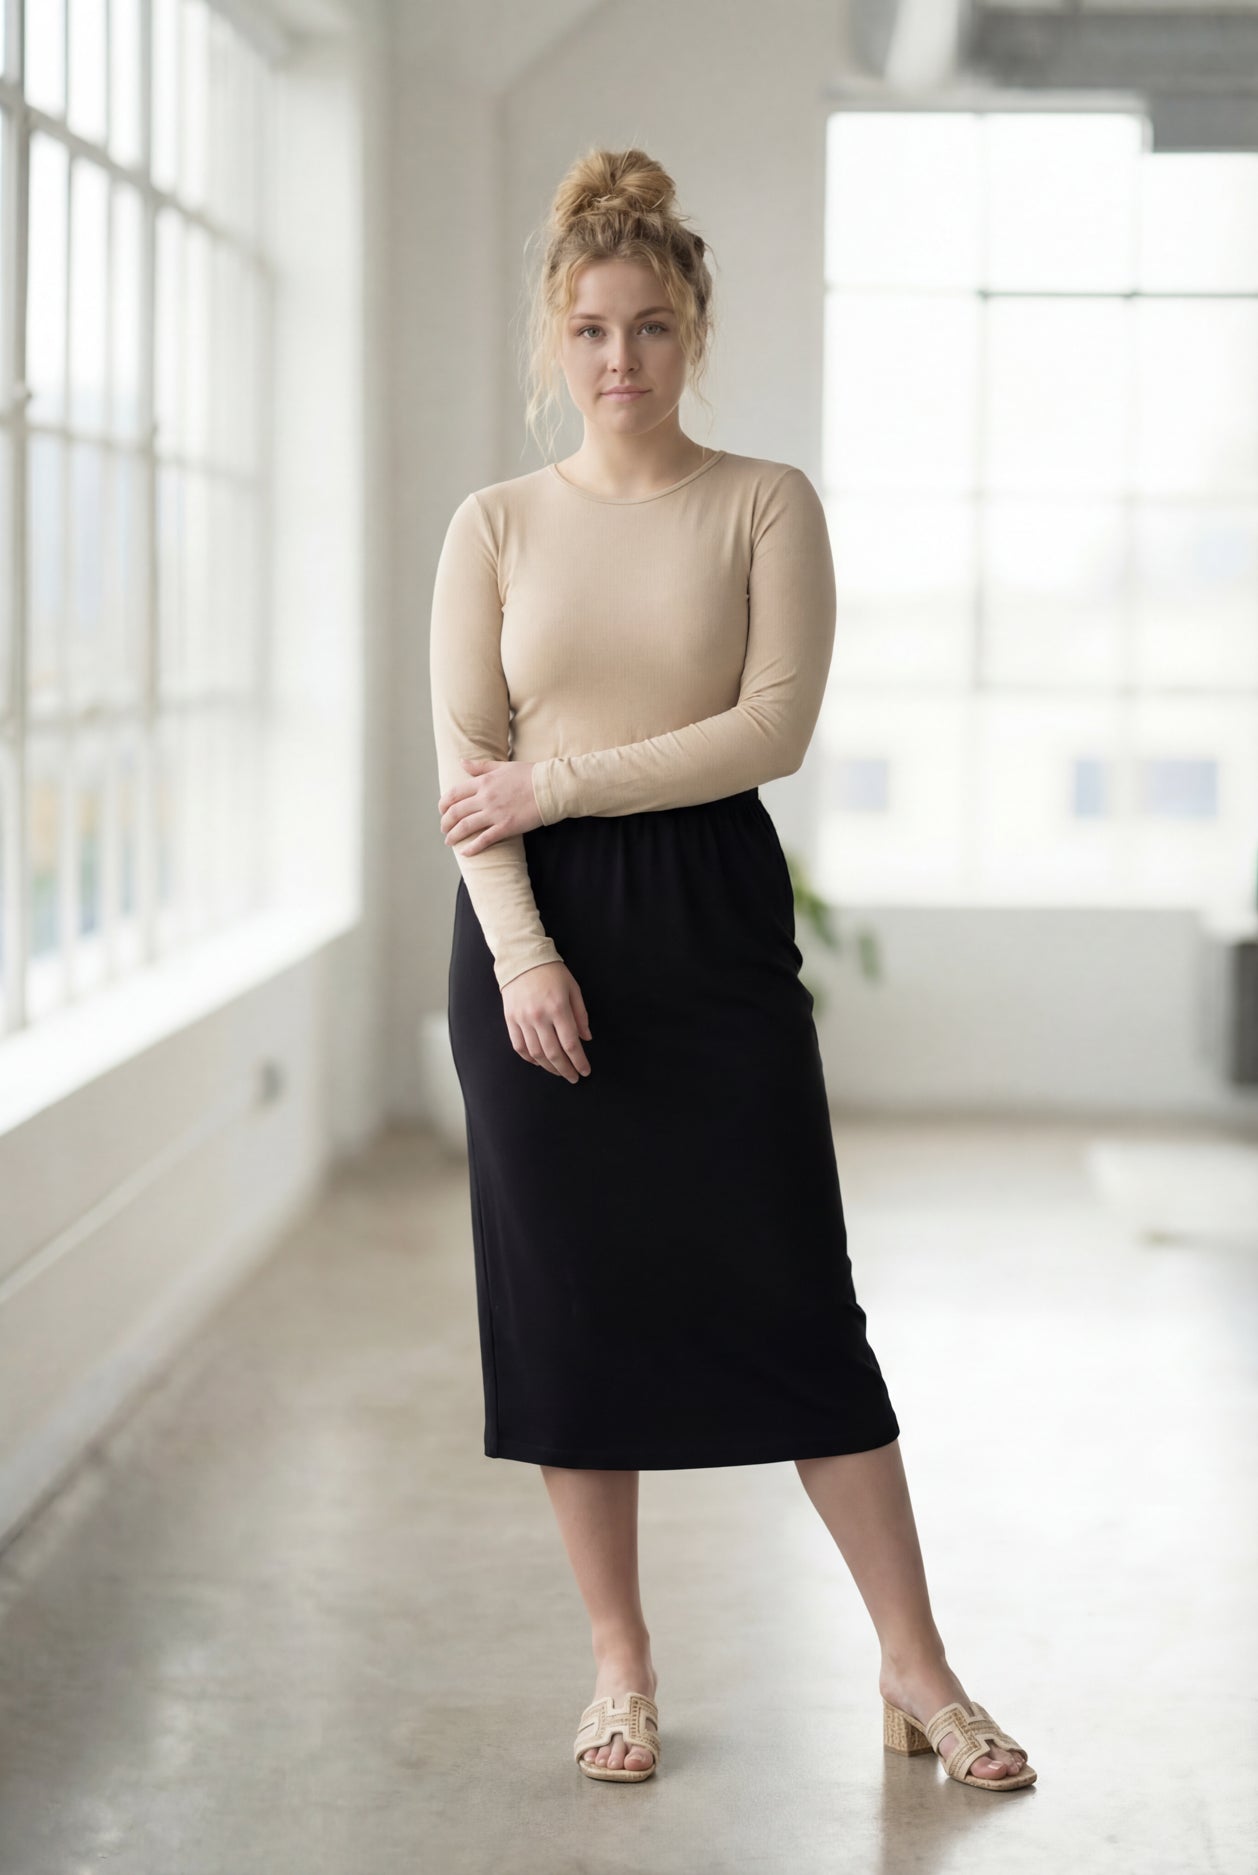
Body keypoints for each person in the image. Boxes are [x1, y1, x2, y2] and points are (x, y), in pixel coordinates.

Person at [429, 145, 1035, 1793]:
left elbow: (770, 727)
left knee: (793, 1301)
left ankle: (915, 1667)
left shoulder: (764, 501)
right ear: (552, 343)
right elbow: (462, 770)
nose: (618, 359)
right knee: (569, 1315)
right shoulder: (491, 525)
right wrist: (524, 958)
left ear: (693, 330)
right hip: (534, 938)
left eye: (648, 326)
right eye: (589, 329)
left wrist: (562, 785)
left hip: (706, 915)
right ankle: (620, 1667)